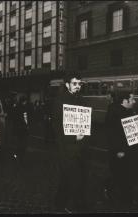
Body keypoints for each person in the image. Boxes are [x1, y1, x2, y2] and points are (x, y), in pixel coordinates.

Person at [51, 72, 90, 213]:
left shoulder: (82, 100)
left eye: (80, 84)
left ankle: (59, 203)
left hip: (80, 148)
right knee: (76, 179)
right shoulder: (60, 100)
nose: (78, 86)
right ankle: (79, 207)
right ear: (67, 84)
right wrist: (73, 137)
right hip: (67, 148)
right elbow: (56, 127)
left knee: (67, 178)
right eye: (74, 83)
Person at [105, 90, 138, 211]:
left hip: (129, 149)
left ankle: (124, 197)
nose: (134, 101)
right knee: (122, 176)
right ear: (124, 101)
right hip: (120, 151)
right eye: (132, 99)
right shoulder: (114, 112)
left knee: (125, 175)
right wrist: (118, 150)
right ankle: (124, 200)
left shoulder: (130, 110)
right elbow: (112, 134)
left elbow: (130, 129)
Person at [12, 95, 33, 164]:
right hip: (23, 128)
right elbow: (25, 119)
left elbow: (14, 119)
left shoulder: (16, 108)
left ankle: (17, 154)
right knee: (23, 143)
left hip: (17, 128)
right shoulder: (24, 108)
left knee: (19, 142)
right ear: (24, 101)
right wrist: (27, 126)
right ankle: (20, 156)